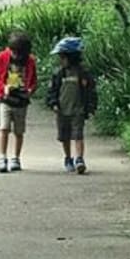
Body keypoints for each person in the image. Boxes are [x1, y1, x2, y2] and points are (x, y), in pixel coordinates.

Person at [46, 36, 97, 174]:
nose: (61, 61)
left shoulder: (83, 74)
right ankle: (68, 157)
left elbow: (91, 90)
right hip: (62, 110)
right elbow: (52, 91)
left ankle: (79, 158)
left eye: (63, 58)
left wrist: (91, 106)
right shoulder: (59, 74)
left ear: (72, 57)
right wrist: (53, 103)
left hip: (78, 110)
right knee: (65, 136)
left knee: (78, 134)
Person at [0, 31, 37, 173]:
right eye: (15, 53)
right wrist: (3, 87)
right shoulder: (2, 57)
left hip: (22, 101)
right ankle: (2, 157)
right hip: (6, 99)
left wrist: (30, 91)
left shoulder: (30, 61)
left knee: (19, 131)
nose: (17, 56)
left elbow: (34, 80)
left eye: (20, 54)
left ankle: (16, 157)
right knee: (4, 128)